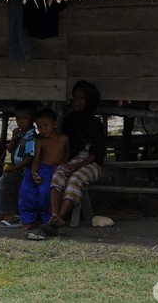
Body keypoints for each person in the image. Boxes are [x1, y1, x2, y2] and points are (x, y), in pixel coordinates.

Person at [47, 80, 107, 229]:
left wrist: (76, 166)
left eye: (81, 98)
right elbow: (68, 147)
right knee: (58, 175)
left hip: (91, 163)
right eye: (75, 97)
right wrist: (66, 162)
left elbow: (96, 154)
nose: (77, 101)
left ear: (89, 101)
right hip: (73, 161)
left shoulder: (95, 124)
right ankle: (55, 215)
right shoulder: (69, 120)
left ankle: (59, 217)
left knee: (75, 179)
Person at [18, 108, 68, 230]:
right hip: (37, 167)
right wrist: (34, 173)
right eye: (39, 127)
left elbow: (67, 154)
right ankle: (28, 219)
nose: (43, 129)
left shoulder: (64, 139)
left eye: (46, 126)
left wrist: (63, 165)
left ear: (55, 125)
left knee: (45, 192)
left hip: (52, 169)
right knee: (25, 191)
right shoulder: (40, 141)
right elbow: (36, 159)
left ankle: (48, 219)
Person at [0, 101, 37, 228]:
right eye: (18, 118)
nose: (21, 121)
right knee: (11, 188)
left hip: (22, 169)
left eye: (25, 118)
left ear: (32, 119)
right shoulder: (19, 134)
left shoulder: (31, 137)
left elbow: (29, 158)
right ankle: (11, 213)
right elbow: (9, 150)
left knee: (3, 184)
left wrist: (14, 167)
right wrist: (13, 137)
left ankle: (10, 214)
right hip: (15, 167)